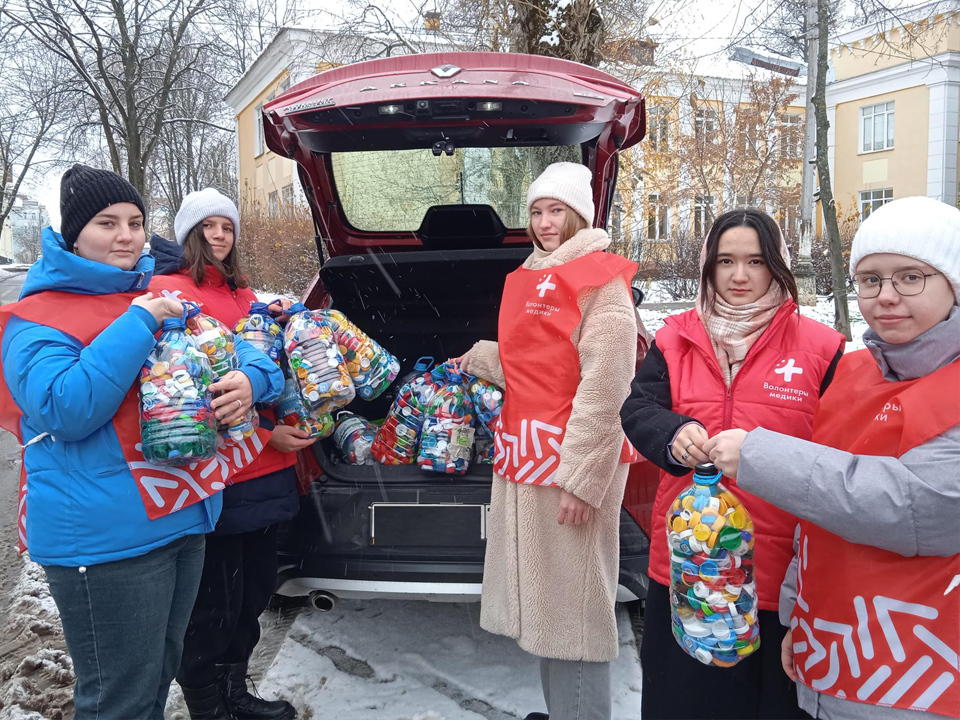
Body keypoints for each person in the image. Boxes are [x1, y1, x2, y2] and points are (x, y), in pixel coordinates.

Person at [0, 165, 281, 720]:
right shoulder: (36, 319)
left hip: (182, 517)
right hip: (105, 543)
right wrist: (138, 322)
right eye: (107, 223)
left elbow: (246, 351)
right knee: (119, 700)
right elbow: (66, 408)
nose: (126, 235)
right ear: (72, 234)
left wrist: (251, 380)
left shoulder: (157, 295)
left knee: (155, 679)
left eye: (134, 222)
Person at [704, 196, 960, 720]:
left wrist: (758, 455)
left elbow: (917, 508)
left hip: (921, 670)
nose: (886, 297)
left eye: (911, 277)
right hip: (835, 652)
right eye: (870, 280)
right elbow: (814, 525)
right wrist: (802, 616)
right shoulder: (854, 371)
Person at [621, 208, 846, 720]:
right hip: (689, 568)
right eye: (725, 261)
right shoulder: (674, 337)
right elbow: (638, 410)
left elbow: (841, 457)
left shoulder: (821, 349)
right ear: (708, 267)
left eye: (755, 261)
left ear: (778, 267)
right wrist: (673, 435)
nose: (739, 276)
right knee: (683, 702)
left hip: (780, 576)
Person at [460, 162, 638, 720]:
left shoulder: (599, 278)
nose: (543, 222)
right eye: (536, 211)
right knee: (545, 608)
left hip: (570, 464)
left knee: (573, 614)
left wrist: (582, 481)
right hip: (527, 456)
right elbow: (536, 362)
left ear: (579, 213)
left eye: (555, 209)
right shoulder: (531, 272)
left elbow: (607, 381)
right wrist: (480, 358)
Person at [150, 188, 303, 720]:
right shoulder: (167, 293)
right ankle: (209, 706)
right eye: (209, 226)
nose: (219, 236)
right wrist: (265, 437)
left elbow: (273, 375)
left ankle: (236, 692)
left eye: (228, 227)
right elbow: (177, 399)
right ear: (189, 232)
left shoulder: (245, 297)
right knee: (213, 603)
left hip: (268, 473)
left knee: (255, 593)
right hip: (218, 477)